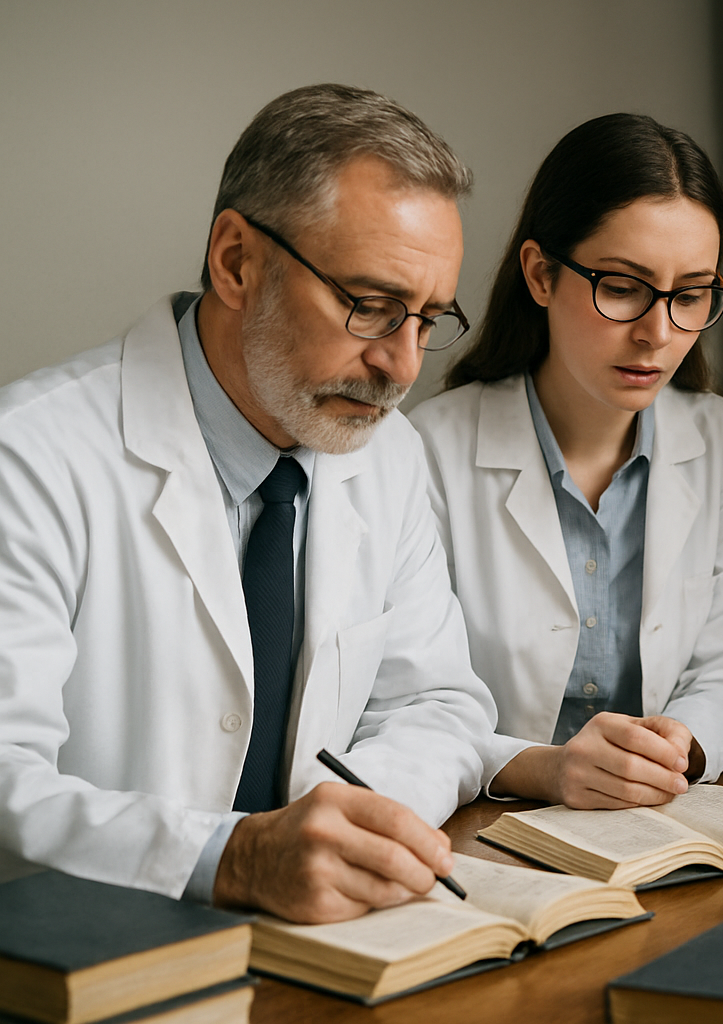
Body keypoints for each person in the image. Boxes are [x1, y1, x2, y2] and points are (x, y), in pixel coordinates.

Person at [0, 84, 503, 923]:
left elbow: (439, 703)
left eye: (428, 319)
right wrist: (230, 857)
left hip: (322, 938)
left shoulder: (388, 452)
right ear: (237, 261)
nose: (403, 367)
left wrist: (350, 830)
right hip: (86, 960)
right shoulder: (28, 456)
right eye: (371, 307)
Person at [411, 114, 723, 809]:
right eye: (624, 286)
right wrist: (544, 768)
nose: (658, 334)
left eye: (690, 294)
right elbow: (414, 703)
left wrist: (677, 747)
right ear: (541, 274)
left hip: (663, 812)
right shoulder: (427, 450)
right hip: (485, 823)